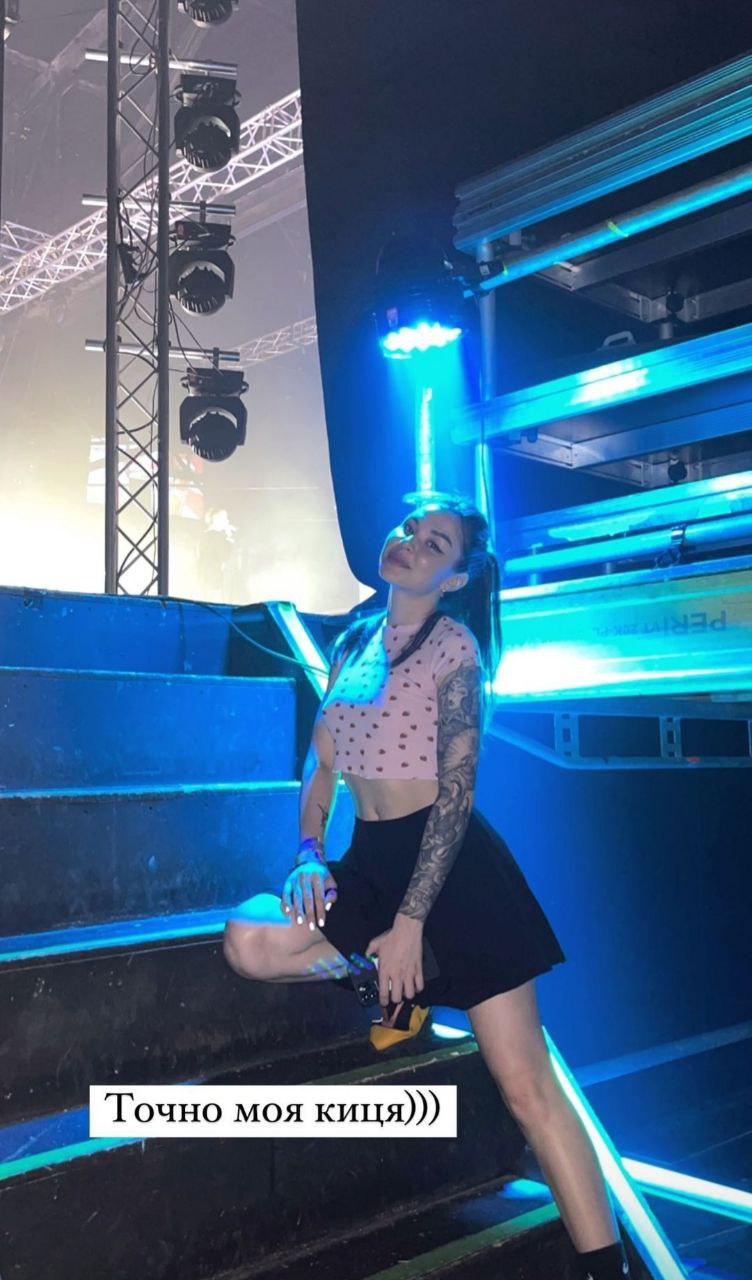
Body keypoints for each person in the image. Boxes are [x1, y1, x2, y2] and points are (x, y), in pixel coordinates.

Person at [223, 491, 631, 1280]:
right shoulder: (352, 643)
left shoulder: (455, 649)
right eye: (410, 527)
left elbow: (457, 790)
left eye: (434, 542)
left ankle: (605, 1268)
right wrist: (308, 852)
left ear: (455, 577)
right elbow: (321, 766)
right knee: (250, 940)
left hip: (454, 867)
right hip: (370, 861)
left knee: (527, 1088)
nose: (409, 541)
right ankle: (381, 979)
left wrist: (413, 921)